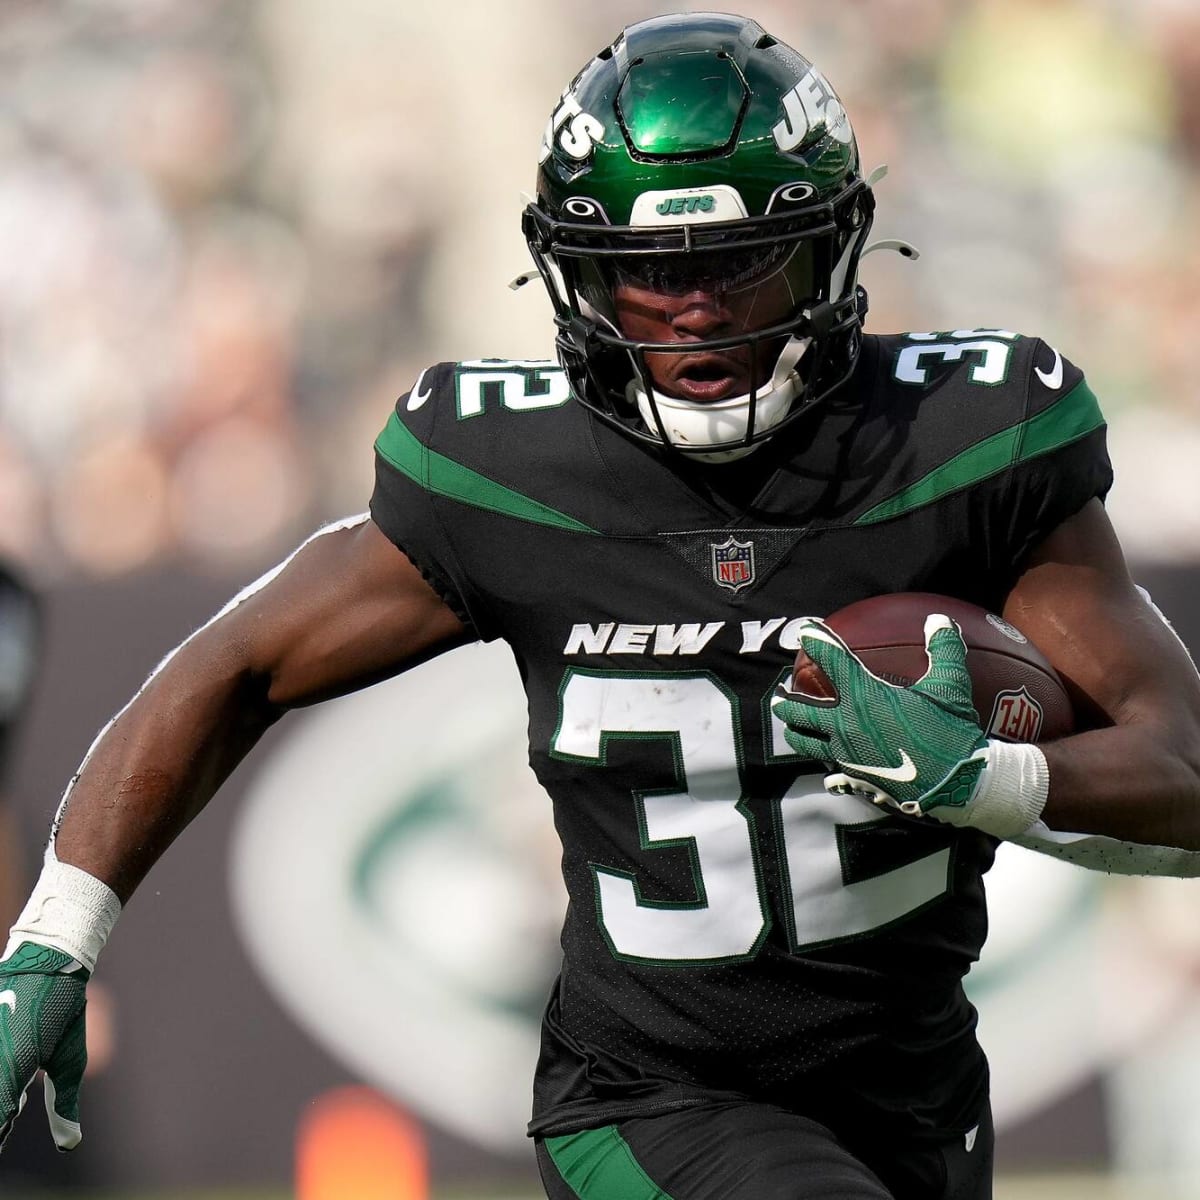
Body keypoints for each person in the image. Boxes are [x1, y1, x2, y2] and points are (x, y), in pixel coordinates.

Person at [2, 12, 1200, 1199]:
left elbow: (1184, 769)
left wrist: (989, 778)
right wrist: (58, 934)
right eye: (650, 271)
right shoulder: (506, 469)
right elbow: (235, 667)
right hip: (647, 1104)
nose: (695, 312)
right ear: (578, 270)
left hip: (916, 1101)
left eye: (739, 263)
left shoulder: (965, 445)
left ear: (834, 245)